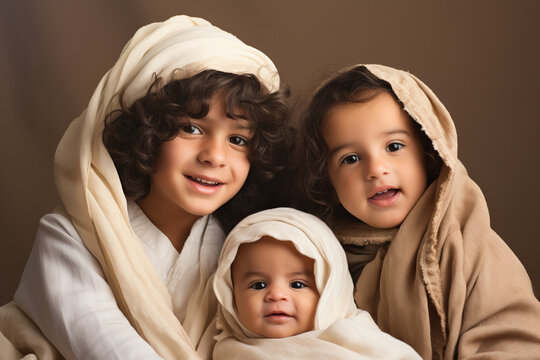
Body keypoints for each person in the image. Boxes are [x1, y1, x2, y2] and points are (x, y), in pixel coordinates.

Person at [0, 15, 293, 360]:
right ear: (147, 131)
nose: (215, 156)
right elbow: (107, 346)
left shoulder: (243, 245)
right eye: (192, 129)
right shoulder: (69, 235)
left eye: (237, 138)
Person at [298, 64, 540, 359]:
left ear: (429, 153)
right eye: (351, 158)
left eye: (394, 146)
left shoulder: (468, 245)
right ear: (327, 183)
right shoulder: (319, 254)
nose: (376, 169)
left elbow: (514, 344)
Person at [212, 207, 422, 360]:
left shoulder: (359, 343)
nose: (276, 295)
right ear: (230, 296)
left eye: (297, 284)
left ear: (331, 292)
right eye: (258, 285)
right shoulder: (227, 352)